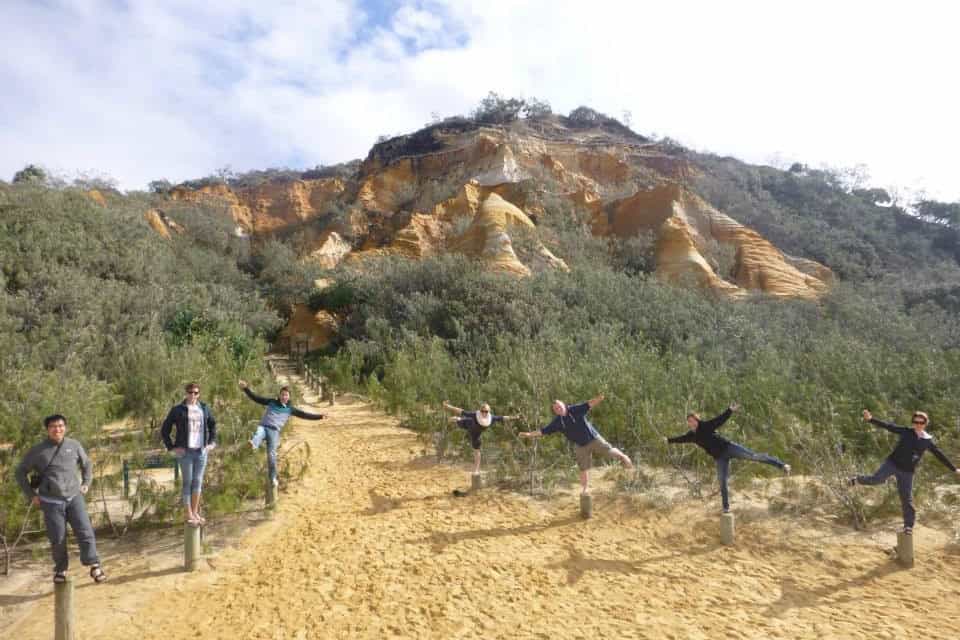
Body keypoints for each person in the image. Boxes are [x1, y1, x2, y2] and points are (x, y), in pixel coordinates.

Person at [15, 415, 106, 584]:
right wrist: (31, 495)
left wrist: (86, 482)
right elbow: (20, 472)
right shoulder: (37, 450)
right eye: (53, 426)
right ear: (47, 429)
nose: (57, 429)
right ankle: (61, 569)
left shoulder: (74, 445)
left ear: (65, 427)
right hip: (51, 502)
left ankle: (94, 565)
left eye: (60, 426)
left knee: (85, 532)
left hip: (74, 497)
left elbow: (86, 464)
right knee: (57, 538)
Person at [666, 403, 790, 513]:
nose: (691, 423)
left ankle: (782, 465)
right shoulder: (691, 435)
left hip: (729, 448)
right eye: (689, 421)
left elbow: (720, 420)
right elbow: (680, 439)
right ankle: (726, 507)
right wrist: (668, 440)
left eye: (693, 420)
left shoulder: (706, 426)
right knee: (722, 481)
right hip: (720, 458)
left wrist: (730, 410)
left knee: (754, 456)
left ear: (697, 420)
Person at [851, 409, 960, 534]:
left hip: (907, 472)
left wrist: (954, 469)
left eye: (921, 422)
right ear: (913, 422)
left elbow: (939, 454)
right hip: (892, 463)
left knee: (906, 499)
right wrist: (871, 419)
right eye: (916, 422)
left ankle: (908, 526)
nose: (918, 424)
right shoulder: (906, 431)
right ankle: (857, 480)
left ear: (926, 423)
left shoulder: (927, 440)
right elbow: (889, 427)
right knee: (877, 479)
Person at [519, 394, 633, 494]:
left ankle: (624, 457)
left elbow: (588, 404)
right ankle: (585, 490)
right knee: (583, 468)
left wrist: (599, 398)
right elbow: (543, 431)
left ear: (564, 405)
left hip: (593, 438)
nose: (558, 409)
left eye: (559, 406)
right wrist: (529, 435)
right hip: (580, 445)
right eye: (556, 409)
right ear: (555, 411)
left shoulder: (574, 410)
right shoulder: (557, 422)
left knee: (609, 451)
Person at [239, 380, 325, 488]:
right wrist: (246, 388)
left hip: (274, 432)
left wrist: (320, 416)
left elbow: (304, 415)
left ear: (289, 397)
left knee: (271, 456)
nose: (284, 397)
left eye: (286, 395)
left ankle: (273, 478)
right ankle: (253, 445)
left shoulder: (290, 409)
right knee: (258, 433)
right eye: (282, 394)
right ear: (279, 395)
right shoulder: (271, 402)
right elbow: (256, 398)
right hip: (264, 427)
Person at [160, 382, 217, 526]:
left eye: (196, 393)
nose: (193, 395)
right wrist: (172, 447)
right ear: (185, 393)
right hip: (185, 452)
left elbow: (213, 424)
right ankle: (188, 514)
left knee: (197, 482)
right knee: (187, 483)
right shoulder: (178, 410)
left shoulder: (203, 408)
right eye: (190, 392)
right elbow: (165, 429)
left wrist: (211, 442)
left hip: (201, 452)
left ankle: (195, 512)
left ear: (199, 394)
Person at [442, 401, 519, 474]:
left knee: (477, 450)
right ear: (480, 410)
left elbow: (502, 417)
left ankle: (476, 470)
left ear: (489, 412)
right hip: (468, 424)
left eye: (486, 411)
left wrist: (514, 417)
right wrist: (448, 406)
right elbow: (461, 411)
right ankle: (456, 419)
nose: (484, 413)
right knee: (460, 420)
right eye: (482, 411)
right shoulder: (475, 414)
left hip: (476, 434)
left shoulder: (491, 418)